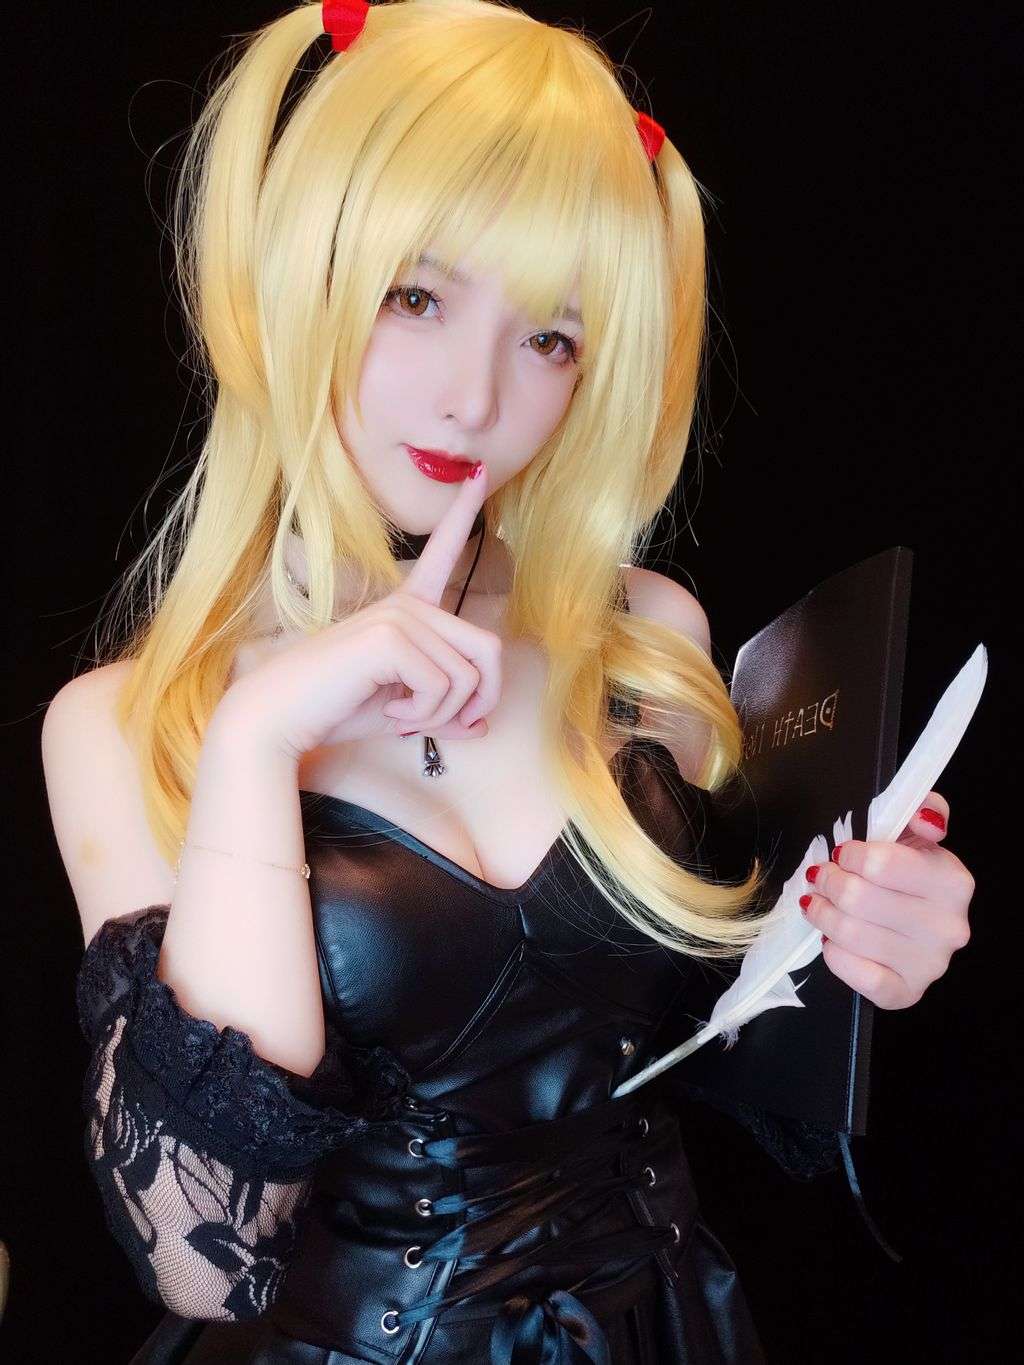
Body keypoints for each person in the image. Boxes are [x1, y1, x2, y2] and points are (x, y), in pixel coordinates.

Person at [41, 3, 976, 1361]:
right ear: (297, 278)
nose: (475, 398)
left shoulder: (642, 636)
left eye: (553, 338)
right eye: (416, 297)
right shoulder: (135, 725)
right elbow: (202, 1256)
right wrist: (257, 747)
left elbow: (730, 1044)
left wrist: (871, 945)